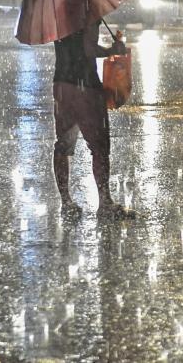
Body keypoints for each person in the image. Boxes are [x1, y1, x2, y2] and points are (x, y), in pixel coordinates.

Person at [53, 19, 129, 218]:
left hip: (62, 85)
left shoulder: (58, 13)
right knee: (99, 147)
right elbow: (88, 49)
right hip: (85, 86)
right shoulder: (88, 10)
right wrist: (113, 50)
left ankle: (66, 202)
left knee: (63, 144)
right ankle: (104, 203)